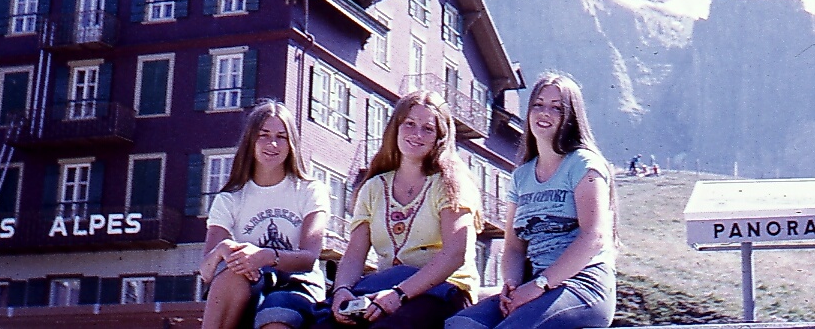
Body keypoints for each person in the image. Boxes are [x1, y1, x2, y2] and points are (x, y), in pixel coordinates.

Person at [446, 72, 617, 329]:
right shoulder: (522, 175)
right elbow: (514, 247)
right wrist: (512, 286)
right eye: (538, 104)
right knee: (460, 324)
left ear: (572, 117)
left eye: (556, 107)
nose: (544, 113)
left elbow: (594, 237)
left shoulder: (584, 164)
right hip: (533, 285)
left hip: (583, 286)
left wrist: (540, 285)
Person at [322, 90, 481, 329]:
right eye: (409, 124)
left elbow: (455, 253)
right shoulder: (374, 187)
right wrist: (342, 290)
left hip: (443, 290)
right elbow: (354, 254)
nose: (417, 134)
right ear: (395, 128)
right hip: (386, 290)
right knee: (322, 324)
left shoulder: (451, 184)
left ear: (440, 137)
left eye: (428, 129)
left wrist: (400, 293)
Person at [200, 100, 329, 329]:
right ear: (250, 140)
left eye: (281, 136)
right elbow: (206, 272)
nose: (273, 143)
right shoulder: (230, 198)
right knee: (230, 271)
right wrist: (222, 250)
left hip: (297, 285)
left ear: (291, 143)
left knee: (276, 314)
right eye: (264, 135)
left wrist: (265, 256)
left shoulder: (310, 190)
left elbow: (309, 257)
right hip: (250, 281)